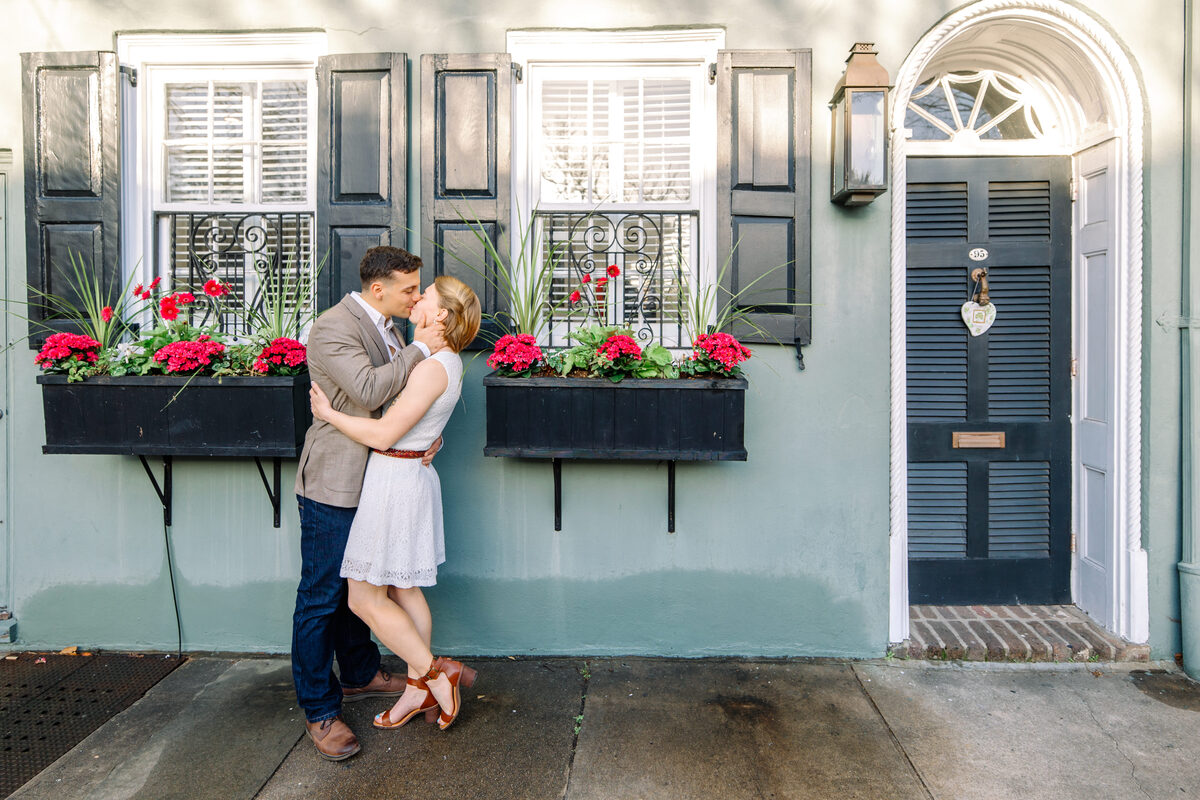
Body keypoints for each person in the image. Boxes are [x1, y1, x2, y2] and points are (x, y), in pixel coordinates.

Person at [309, 275, 482, 735]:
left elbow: (385, 434)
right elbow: (420, 421)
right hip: (406, 474)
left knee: (364, 597)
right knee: (404, 589)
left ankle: (433, 673)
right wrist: (432, 437)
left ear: (441, 314)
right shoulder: (445, 361)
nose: (417, 297)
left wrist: (329, 415)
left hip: (394, 481)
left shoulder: (431, 366)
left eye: (425, 295)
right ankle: (415, 688)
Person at [292, 246, 446, 762]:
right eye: (410, 289)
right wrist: (422, 349)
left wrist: (421, 437)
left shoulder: (390, 327)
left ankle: (360, 674)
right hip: (335, 482)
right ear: (378, 289)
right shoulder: (333, 326)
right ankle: (320, 710)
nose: (418, 296)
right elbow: (367, 389)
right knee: (323, 596)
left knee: (368, 579)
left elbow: (397, 403)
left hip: (380, 479)